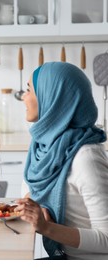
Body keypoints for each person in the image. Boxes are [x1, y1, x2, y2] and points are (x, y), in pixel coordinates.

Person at [15, 62, 108, 259]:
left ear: (53, 96)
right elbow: (29, 189)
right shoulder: (44, 145)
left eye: (30, 90)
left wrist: (47, 227)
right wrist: (39, 207)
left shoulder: (86, 158)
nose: (23, 97)